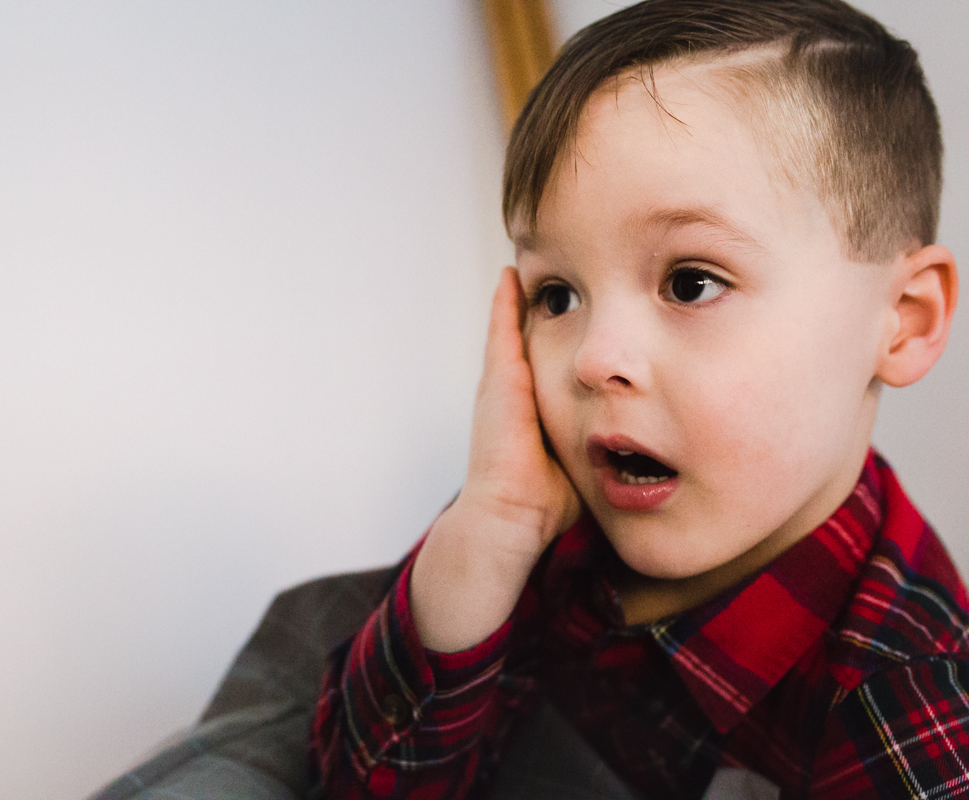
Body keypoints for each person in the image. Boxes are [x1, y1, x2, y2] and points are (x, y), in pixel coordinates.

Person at [308, 1, 965, 797]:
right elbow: (350, 782)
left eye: (690, 282)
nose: (593, 359)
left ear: (902, 324)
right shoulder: (535, 523)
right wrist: (491, 530)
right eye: (557, 296)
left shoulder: (905, 705)